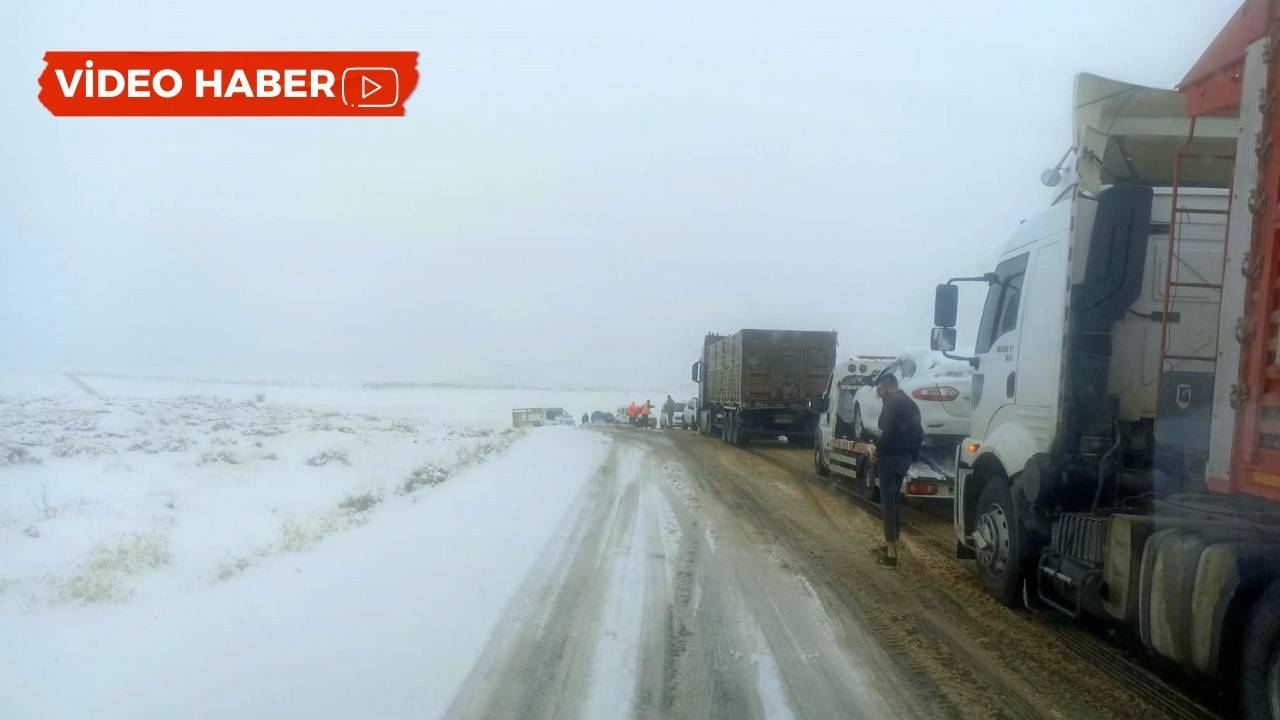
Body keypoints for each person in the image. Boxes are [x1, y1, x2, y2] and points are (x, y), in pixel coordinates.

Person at [871, 372, 923, 568]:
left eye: (881, 387)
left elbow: (888, 429)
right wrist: (912, 455)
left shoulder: (892, 402)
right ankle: (894, 540)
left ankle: (891, 553)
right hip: (904, 459)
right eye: (878, 388)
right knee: (893, 499)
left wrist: (877, 450)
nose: (879, 391)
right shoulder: (909, 402)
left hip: (889, 458)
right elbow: (919, 432)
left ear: (890, 386)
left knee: (887, 504)